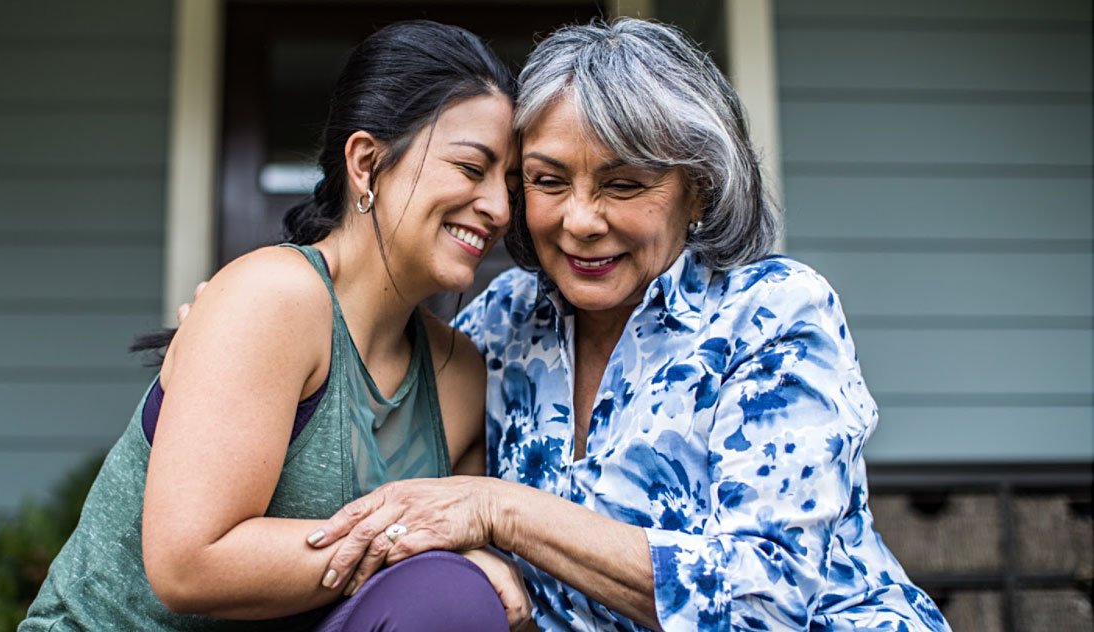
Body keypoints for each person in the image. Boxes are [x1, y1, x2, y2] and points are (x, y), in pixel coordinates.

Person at [302, 19, 952, 632]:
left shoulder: (771, 312)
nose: (580, 220)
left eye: (623, 185)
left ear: (697, 187)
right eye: (549, 181)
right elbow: (380, 459)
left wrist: (498, 512)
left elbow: (762, 604)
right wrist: (251, 333)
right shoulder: (505, 322)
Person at [19, 20, 532, 632]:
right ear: (367, 164)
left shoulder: (459, 376)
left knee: (451, 598)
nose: (500, 210)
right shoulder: (276, 297)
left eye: (510, 182)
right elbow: (188, 566)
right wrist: (417, 540)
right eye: (471, 169)